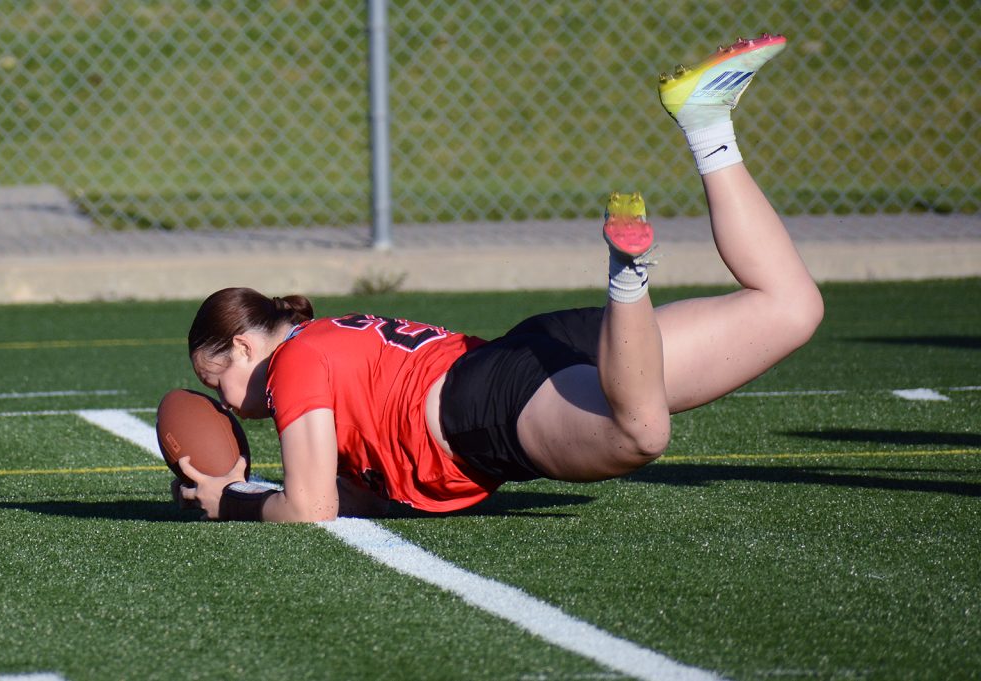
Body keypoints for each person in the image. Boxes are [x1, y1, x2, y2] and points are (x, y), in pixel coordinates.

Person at [177, 33, 823, 522]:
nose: (230, 402)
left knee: (641, 433)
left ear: (243, 345)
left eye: (220, 380)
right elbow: (352, 495)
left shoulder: (294, 364)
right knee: (792, 306)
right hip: (535, 354)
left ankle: (628, 276)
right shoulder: (324, 345)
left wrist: (230, 499)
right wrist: (253, 488)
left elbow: (311, 508)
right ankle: (708, 126)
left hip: (492, 408)